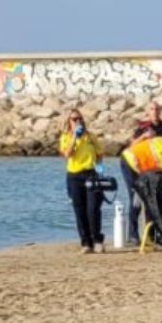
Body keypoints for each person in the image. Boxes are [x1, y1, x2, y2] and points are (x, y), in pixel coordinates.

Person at [119, 101, 162, 237]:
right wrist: (144, 137)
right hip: (135, 165)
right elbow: (130, 147)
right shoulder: (142, 128)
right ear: (147, 112)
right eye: (152, 109)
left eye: (157, 109)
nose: (155, 112)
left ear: (160, 111)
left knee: (153, 199)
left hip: (155, 169)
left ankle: (151, 234)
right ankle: (133, 234)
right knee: (136, 198)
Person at [58, 109, 105, 254]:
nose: (77, 121)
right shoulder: (65, 137)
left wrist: (99, 169)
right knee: (80, 211)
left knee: (93, 209)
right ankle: (86, 243)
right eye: (73, 119)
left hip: (91, 174)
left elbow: (100, 154)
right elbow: (67, 154)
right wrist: (74, 138)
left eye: (79, 118)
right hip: (74, 176)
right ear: (69, 122)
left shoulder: (90, 137)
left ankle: (97, 240)